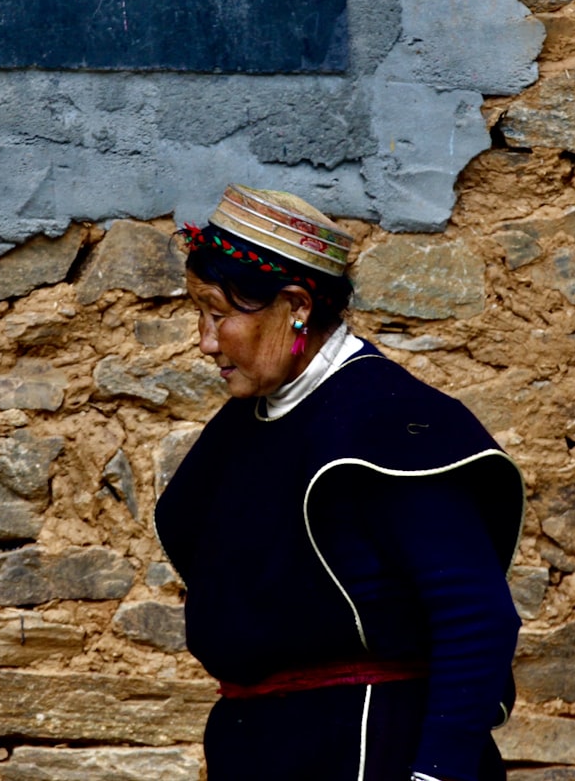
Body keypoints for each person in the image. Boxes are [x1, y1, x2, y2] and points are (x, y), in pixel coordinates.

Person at [155, 184, 525, 781]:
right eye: (199, 313)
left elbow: (475, 615)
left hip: (370, 750)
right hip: (262, 749)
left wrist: (439, 772)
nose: (204, 341)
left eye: (219, 314)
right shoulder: (249, 422)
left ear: (296, 305)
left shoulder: (385, 424)